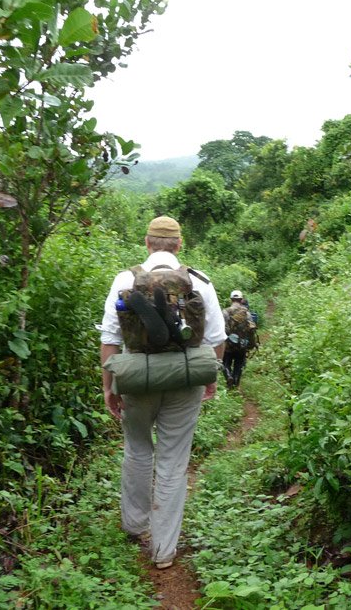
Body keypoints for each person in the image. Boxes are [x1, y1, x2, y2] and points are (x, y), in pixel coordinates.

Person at [99, 216, 226, 570]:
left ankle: (134, 524)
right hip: (185, 380)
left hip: (137, 379)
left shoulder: (125, 280)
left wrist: (109, 386)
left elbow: (110, 339)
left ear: (147, 242)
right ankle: (164, 551)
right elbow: (217, 339)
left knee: (138, 449)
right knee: (173, 462)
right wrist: (210, 377)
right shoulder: (199, 281)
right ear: (179, 244)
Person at [222, 290, 257, 389]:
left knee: (225, 363)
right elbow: (251, 330)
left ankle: (228, 376)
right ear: (241, 300)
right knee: (239, 364)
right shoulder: (247, 313)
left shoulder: (225, 312)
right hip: (242, 344)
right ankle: (236, 382)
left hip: (228, 344)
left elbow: (220, 328)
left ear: (231, 299)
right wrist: (252, 343)